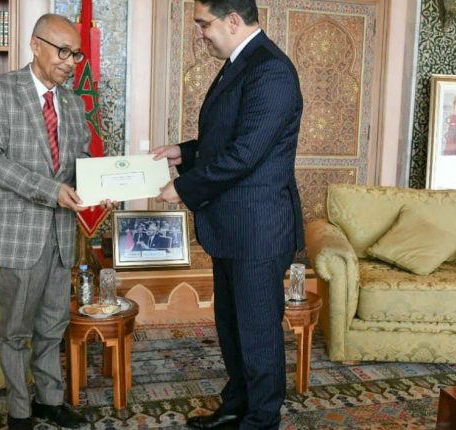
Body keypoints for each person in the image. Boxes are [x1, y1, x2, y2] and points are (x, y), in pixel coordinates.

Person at [153, 1, 304, 428]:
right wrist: (184, 152)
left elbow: (245, 154)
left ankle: (261, 420)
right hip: (233, 226)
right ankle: (237, 407)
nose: (200, 33)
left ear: (233, 20)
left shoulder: (270, 70)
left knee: (257, 335)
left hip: (257, 230)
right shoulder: (242, 63)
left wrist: (183, 188)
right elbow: (227, 139)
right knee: (233, 329)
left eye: (204, 24)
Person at [0, 14, 112, 430]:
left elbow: (80, 160)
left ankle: (50, 401)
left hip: (62, 233)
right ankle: (19, 411)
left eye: (76, 55)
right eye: (62, 52)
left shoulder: (73, 102)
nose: (70, 62)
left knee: (53, 325)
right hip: (18, 234)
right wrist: (51, 191)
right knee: (16, 331)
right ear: (35, 45)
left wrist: (100, 184)